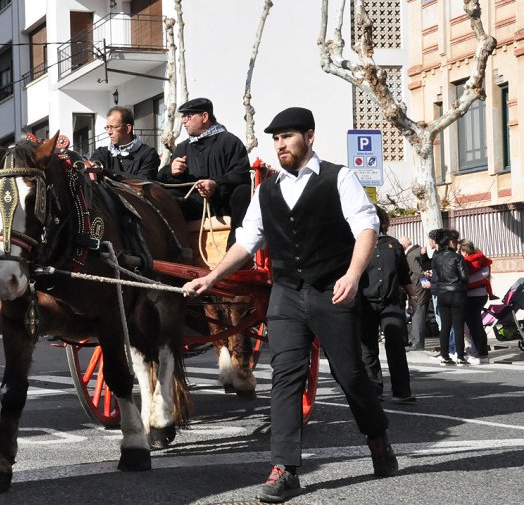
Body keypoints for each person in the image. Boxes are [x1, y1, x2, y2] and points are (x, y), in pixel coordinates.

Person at [182, 107, 397, 502]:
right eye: (276, 138)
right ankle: (285, 468)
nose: (280, 144)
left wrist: (352, 274)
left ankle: (377, 436)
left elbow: (367, 226)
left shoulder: (339, 177)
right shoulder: (266, 190)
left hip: (332, 290)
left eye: (288, 136)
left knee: (350, 375)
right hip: (286, 293)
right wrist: (212, 277)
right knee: (284, 378)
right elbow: (247, 242)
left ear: (309, 136)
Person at [157, 97, 252, 248]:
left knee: (243, 192)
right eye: (183, 117)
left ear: (205, 117)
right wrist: (171, 171)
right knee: (167, 197)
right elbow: (165, 181)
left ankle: (235, 247)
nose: (183, 121)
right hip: (195, 205)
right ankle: (171, 247)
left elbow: (241, 174)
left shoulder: (229, 142)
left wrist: (216, 184)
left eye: (188, 116)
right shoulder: (183, 147)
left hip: (223, 203)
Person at [359, 206, 416, 403]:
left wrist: (413, 297)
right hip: (364, 303)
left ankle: (402, 391)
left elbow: (403, 275)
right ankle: (373, 390)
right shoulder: (355, 244)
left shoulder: (394, 245)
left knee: (396, 346)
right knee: (368, 348)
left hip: (391, 302)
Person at [431, 230, 469, 366]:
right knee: (458, 326)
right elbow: (465, 277)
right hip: (457, 293)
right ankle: (460, 356)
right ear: (451, 242)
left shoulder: (436, 257)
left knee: (445, 326)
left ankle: (445, 356)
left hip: (441, 293)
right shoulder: (457, 257)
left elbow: (435, 274)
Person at [90, 106, 160, 180]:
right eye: (107, 127)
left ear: (127, 128)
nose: (109, 132)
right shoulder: (101, 153)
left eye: (113, 127)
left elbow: (142, 186)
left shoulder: (148, 154)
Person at [459, 239, 491, 364]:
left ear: (464, 251)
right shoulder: (482, 259)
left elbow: (481, 275)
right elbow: (484, 275)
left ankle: (477, 353)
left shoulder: (468, 261)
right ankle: (482, 353)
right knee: (477, 325)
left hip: (472, 295)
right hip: (481, 294)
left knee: (474, 326)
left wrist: (464, 281)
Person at [399, 236, 431, 351]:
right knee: (419, 312)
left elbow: (418, 272)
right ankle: (416, 341)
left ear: (403, 246)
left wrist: (424, 277)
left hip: (417, 288)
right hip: (422, 287)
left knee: (418, 313)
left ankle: (417, 343)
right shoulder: (419, 251)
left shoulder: (411, 255)